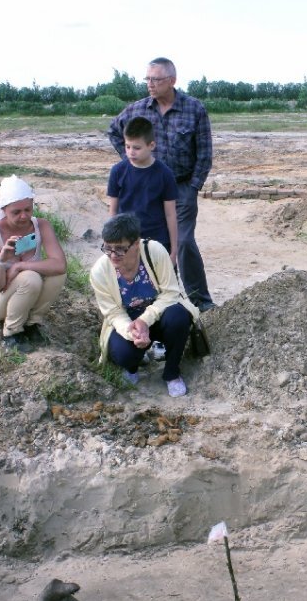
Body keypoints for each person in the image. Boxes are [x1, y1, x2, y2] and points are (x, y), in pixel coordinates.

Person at [108, 57, 216, 312]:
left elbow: (205, 153)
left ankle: (200, 300)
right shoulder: (137, 110)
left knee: (184, 242)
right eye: (147, 79)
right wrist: (131, 162)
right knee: (148, 243)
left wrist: (193, 187)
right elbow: (114, 131)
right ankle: (155, 298)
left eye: (155, 79)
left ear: (172, 81)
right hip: (146, 188)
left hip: (181, 188)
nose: (150, 84)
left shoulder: (194, 109)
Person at [90, 213, 199, 398]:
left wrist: (145, 320)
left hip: (160, 312)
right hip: (128, 320)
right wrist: (133, 331)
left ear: (136, 244)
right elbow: (113, 313)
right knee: (122, 353)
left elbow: (171, 293)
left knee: (179, 318)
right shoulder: (99, 272)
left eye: (120, 249)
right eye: (108, 248)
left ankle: (172, 372)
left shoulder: (154, 251)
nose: (113, 255)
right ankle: (133, 366)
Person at [0, 175, 67, 351]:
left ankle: (32, 323)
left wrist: (20, 265)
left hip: (21, 293)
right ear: (4, 210)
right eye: (16, 212)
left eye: (28, 210)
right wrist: (2, 261)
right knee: (30, 278)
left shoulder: (41, 225)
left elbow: (60, 265)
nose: (24, 216)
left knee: (57, 275)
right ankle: (12, 331)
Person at [108, 116, 179, 264]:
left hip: (157, 242)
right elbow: (113, 212)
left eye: (137, 148)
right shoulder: (117, 171)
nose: (131, 152)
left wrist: (174, 250)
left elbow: (171, 214)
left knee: (161, 285)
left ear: (151, 145)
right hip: (126, 242)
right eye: (127, 147)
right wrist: (112, 244)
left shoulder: (165, 174)